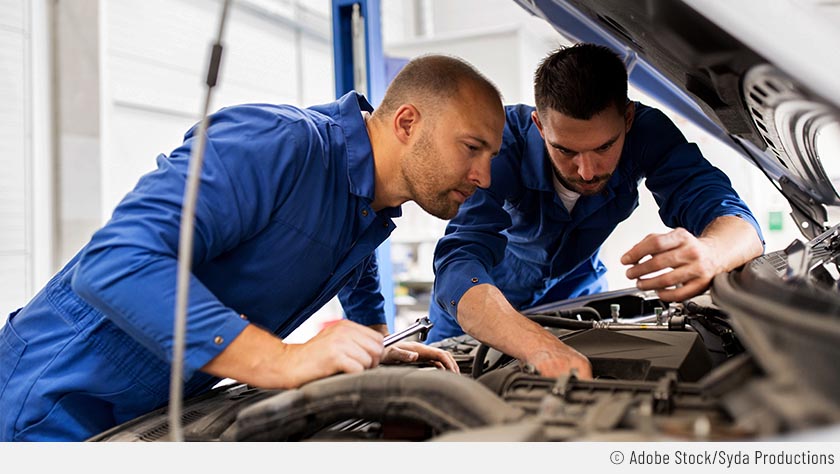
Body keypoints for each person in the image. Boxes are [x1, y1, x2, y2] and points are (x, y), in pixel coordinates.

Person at [0, 54, 505, 441]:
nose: (484, 177)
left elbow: (356, 272)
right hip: (46, 402)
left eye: (492, 155)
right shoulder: (276, 144)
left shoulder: (369, 208)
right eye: (471, 148)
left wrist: (374, 354)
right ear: (407, 123)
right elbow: (115, 264)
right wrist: (283, 360)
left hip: (155, 415)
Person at [427, 43, 764, 379]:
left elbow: (734, 219)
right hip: (481, 309)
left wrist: (710, 253)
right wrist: (537, 345)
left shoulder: (647, 133)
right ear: (540, 126)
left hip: (574, 299)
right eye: (565, 150)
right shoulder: (499, 147)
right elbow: (458, 263)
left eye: (604, 146)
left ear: (628, 119)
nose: (586, 171)